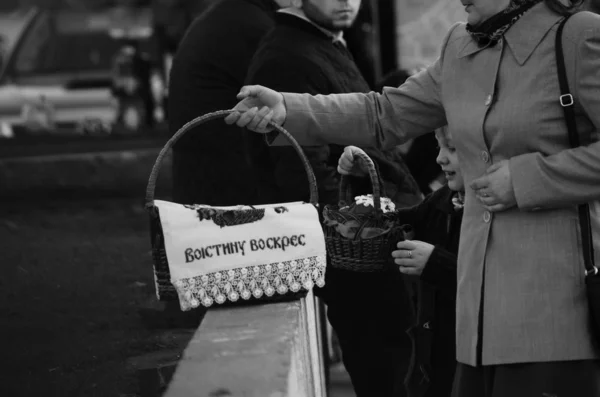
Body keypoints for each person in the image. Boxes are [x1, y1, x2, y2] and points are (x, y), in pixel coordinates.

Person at [225, 0, 600, 395]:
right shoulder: (460, 43)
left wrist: (527, 179)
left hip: (558, 307)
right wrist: (288, 108)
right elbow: (385, 114)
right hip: (476, 315)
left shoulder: (579, 35)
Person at [244, 2, 422, 395]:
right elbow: (301, 173)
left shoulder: (323, 43)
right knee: (388, 370)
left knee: (399, 362)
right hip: (357, 250)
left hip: (372, 238)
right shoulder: (285, 57)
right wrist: (353, 232)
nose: (346, 0)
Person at [144, 0, 291, 329]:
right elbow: (290, 108)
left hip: (208, 188)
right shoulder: (253, 27)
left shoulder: (230, 16)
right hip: (230, 204)